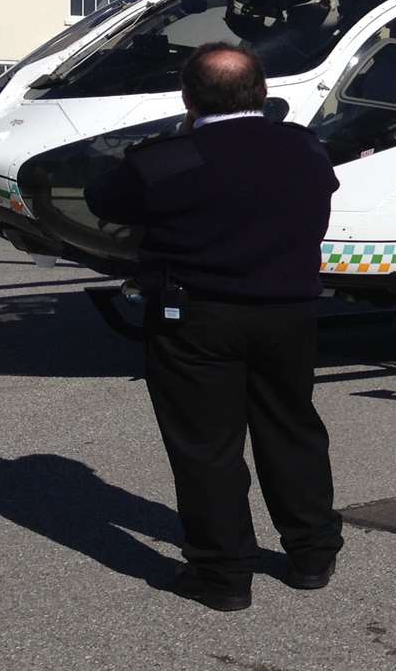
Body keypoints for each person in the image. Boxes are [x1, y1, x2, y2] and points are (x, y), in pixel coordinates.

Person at [87, 43, 343, 612]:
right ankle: (312, 552)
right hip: (288, 312)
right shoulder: (304, 148)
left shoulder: (166, 158)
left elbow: (104, 197)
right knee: (292, 430)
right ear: (262, 92)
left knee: (207, 446)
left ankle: (223, 573)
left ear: (188, 97)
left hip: (197, 317)